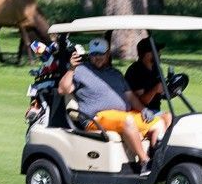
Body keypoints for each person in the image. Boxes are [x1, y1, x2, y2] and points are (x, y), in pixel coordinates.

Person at [58, 37, 170, 173]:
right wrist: (71, 69)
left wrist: (143, 109)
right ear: (89, 55)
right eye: (94, 54)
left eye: (101, 54)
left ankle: (158, 160)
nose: (97, 57)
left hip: (121, 116)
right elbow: (62, 90)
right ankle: (145, 162)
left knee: (158, 122)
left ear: (107, 54)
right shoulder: (80, 70)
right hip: (96, 118)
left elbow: (130, 97)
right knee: (128, 120)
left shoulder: (115, 74)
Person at [124, 36, 166, 112]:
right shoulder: (135, 71)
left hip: (155, 110)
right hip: (141, 112)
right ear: (145, 54)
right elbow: (140, 102)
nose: (159, 53)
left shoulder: (156, 69)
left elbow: (162, 93)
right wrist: (155, 89)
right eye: (155, 50)